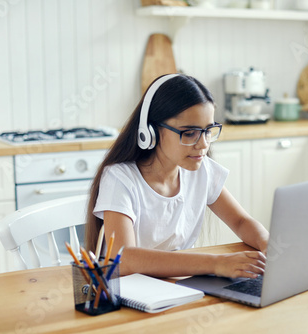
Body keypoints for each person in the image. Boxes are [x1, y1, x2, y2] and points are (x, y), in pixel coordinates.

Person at [85, 74, 269, 279]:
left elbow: (241, 221)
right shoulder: (121, 179)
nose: (203, 144)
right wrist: (216, 263)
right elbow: (124, 258)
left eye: (208, 131)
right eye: (189, 133)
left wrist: (268, 243)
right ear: (150, 132)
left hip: (178, 284)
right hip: (132, 291)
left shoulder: (202, 170)